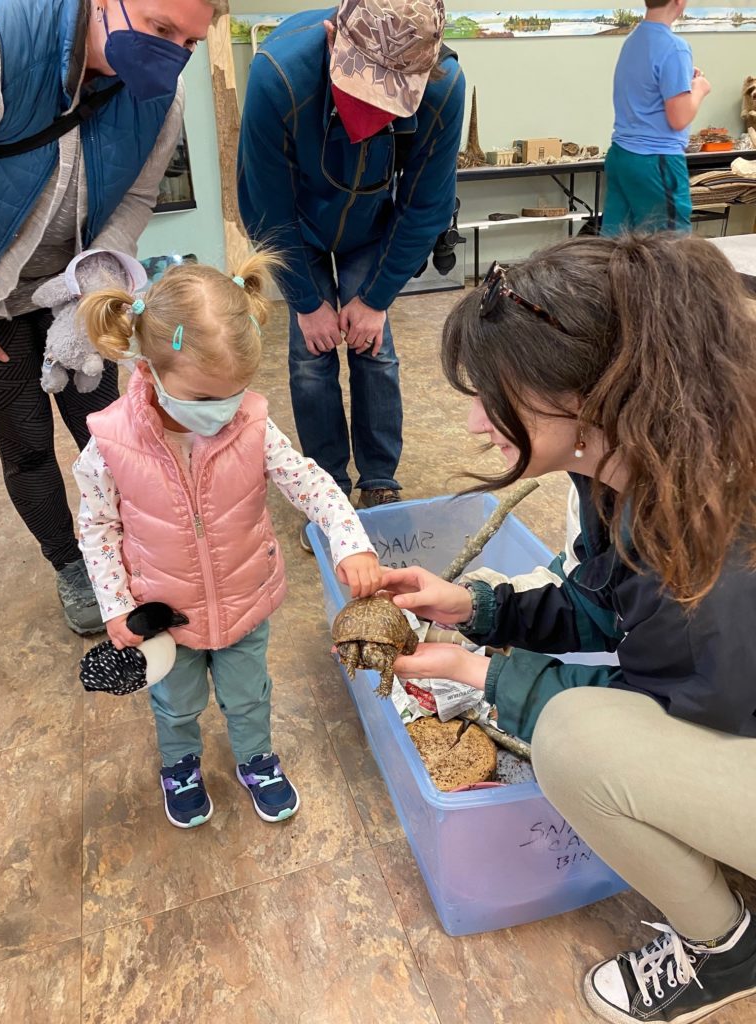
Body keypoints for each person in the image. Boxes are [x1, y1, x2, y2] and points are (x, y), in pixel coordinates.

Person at [382, 234, 756, 1023]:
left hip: (731, 715)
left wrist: (485, 677)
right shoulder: (619, 463)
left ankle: (727, 950)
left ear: (580, 397)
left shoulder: (715, 520)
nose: (480, 424)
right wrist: (479, 610)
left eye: (494, 398)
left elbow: (679, 704)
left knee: (573, 741)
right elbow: (611, 607)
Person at [73, 253, 383, 828]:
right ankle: (180, 764)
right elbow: (96, 528)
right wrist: (116, 606)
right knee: (175, 700)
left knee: (248, 695)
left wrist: (350, 542)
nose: (223, 411)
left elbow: (311, 482)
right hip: (164, 615)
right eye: (206, 397)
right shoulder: (108, 447)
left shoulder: (253, 425)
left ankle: (257, 757)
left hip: (245, 600)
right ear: (150, 371)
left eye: (235, 393)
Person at [0, 0, 220, 635]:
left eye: (191, 43)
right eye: (160, 28)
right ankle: (71, 565)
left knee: (109, 432)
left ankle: (125, 549)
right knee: (28, 445)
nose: (173, 53)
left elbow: (140, 194)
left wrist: (96, 277)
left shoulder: (160, 104)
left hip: (75, 289)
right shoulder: (1, 45)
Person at [238, 0, 465, 529]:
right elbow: (263, 207)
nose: (370, 110)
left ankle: (380, 480)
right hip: (296, 223)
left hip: (372, 222)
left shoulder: (442, 85)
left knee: (374, 348)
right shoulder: (277, 77)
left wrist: (377, 298)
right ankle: (329, 489)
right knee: (310, 355)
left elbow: (427, 204)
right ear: (330, 36)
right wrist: (306, 301)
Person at [602, 0, 711, 235]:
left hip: (622, 156)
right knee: (670, 249)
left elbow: (647, 91)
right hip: (656, 160)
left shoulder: (633, 41)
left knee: (616, 247)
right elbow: (679, 118)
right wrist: (700, 88)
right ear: (679, 1)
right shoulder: (674, 47)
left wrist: (684, 84)